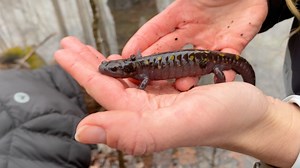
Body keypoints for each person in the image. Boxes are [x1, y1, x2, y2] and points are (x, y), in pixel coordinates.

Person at [54, 0, 300, 167]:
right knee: (220, 64)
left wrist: (278, 129)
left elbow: (143, 76)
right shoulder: (138, 69)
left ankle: (236, 78)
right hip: (210, 60)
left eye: (114, 69)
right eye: (113, 70)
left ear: (125, 69)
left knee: (222, 65)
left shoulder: (140, 73)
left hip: (213, 61)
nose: (112, 71)